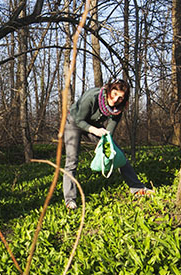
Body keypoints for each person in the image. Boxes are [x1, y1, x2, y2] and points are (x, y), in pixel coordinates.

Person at [62, 78, 148, 209]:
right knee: (71, 161)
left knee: (117, 153)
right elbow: (79, 120)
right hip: (74, 122)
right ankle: (70, 200)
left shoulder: (117, 110)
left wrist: (107, 148)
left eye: (120, 98)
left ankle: (137, 188)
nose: (115, 100)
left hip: (94, 125)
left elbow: (109, 133)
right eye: (114, 94)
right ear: (109, 90)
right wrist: (95, 130)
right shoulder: (92, 96)